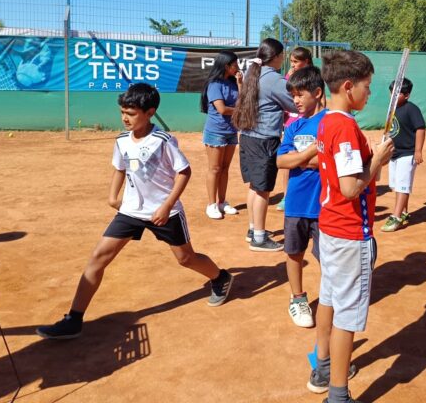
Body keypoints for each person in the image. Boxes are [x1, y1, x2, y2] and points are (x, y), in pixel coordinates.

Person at [36, 83, 233, 339]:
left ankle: (220, 277)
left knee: (186, 259)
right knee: (98, 257)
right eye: (122, 112)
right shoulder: (121, 140)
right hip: (130, 211)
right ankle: (74, 318)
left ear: (150, 112)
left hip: (165, 213)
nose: (125, 118)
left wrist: (166, 206)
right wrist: (112, 197)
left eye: (131, 113)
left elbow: (184, 172)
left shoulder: (162, 140)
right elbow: (120, 168)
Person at [308, 50, 394, 402]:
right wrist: (377, 161)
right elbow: (350, 188)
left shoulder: (328, 120)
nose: (369, 93)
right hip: (348, 233)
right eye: (367, 87)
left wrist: (368, 157)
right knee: (347, 315)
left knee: (329, 298)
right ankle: (338, 394)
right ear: (347, 86)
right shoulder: (344, 126)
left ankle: (324, 366)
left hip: (330, 230)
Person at [232, 38, 297, 251]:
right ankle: (259, 238)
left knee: (255, 186)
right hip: (264, 139)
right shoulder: (275, 80)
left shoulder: (254, 74)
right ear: (276, 57)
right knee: (262, 190)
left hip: (249, 137)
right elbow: (294, 104)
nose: (285, 58)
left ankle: (253, 230)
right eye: (283, 55)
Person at [276, 66, 327, 327]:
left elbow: (332, 160)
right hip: (296, 203)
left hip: (325, 206)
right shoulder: (293, 126)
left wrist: (302, 159)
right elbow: (282, 161)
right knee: (294, 253)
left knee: (326, 257)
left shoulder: (333, 121)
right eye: (292, 95)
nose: (295, 100)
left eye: (300, 94)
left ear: (317, 93)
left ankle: (331, 299)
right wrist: (310, 154)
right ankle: (297, 299)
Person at [200, 50, 243, 219]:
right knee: (215, 168)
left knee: (224, 169)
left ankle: (222, 202)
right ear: (226, 66)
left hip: (231, 131)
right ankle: (211, 205)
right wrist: (240, 111)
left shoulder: (233, 83)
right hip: (215, 132)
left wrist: (240, 84)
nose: (237, 67)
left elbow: (243, 101)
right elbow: (222, 109)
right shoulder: (214, 84)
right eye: (235, 65)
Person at [381, 77, 426, 232]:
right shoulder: (391, 109)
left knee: (402, 184)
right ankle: (404, 212)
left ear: (406, 95)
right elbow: (391, 130)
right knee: (395, 184)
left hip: (408, 153)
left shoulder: (411, 109)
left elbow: (420, 128)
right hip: (394, 153)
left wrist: (418, 151)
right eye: (392, 92)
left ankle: (396, 217)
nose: (393, 96)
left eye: (397, 93)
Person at [278, 46, 314, 212]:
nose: (292, 65)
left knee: (307, 159)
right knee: (289, 158)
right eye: (291, 61)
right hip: (290, 122)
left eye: (295, 61)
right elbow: (286, 97)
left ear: (306, 62)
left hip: (307, 121)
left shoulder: (314, 77)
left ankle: (308, 194)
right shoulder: (289, 76)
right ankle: (287, 196)